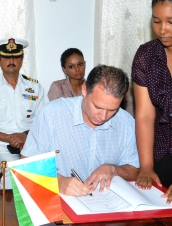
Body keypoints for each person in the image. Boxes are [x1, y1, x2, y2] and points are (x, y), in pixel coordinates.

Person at [21, 65, 139, 196]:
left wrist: (113, 170)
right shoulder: (52, 114)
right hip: (59, 201)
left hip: (106, 203)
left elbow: (134, 170)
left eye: (112, 110)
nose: (103, 116)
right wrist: (58, 182)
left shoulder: (126, 122)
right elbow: (26, 164)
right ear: (84, 89)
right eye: (97, 107)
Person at [0, 37, 47, 188]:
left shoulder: (35, 87)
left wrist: (24, 136)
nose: (11, 60)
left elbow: (46, 120)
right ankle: (10, 210)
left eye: (15, 56)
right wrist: (10, 138)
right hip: (1, 145)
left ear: (21, 59)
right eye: (6, 57)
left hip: (31, 142)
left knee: (44, 171)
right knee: (12, 171)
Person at [132, 0, 172, 204]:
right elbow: (145, 116)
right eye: (157, 21)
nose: (162, 29)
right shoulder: (146, 56)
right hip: (161, 149)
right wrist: (146, 167)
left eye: (170, 22)